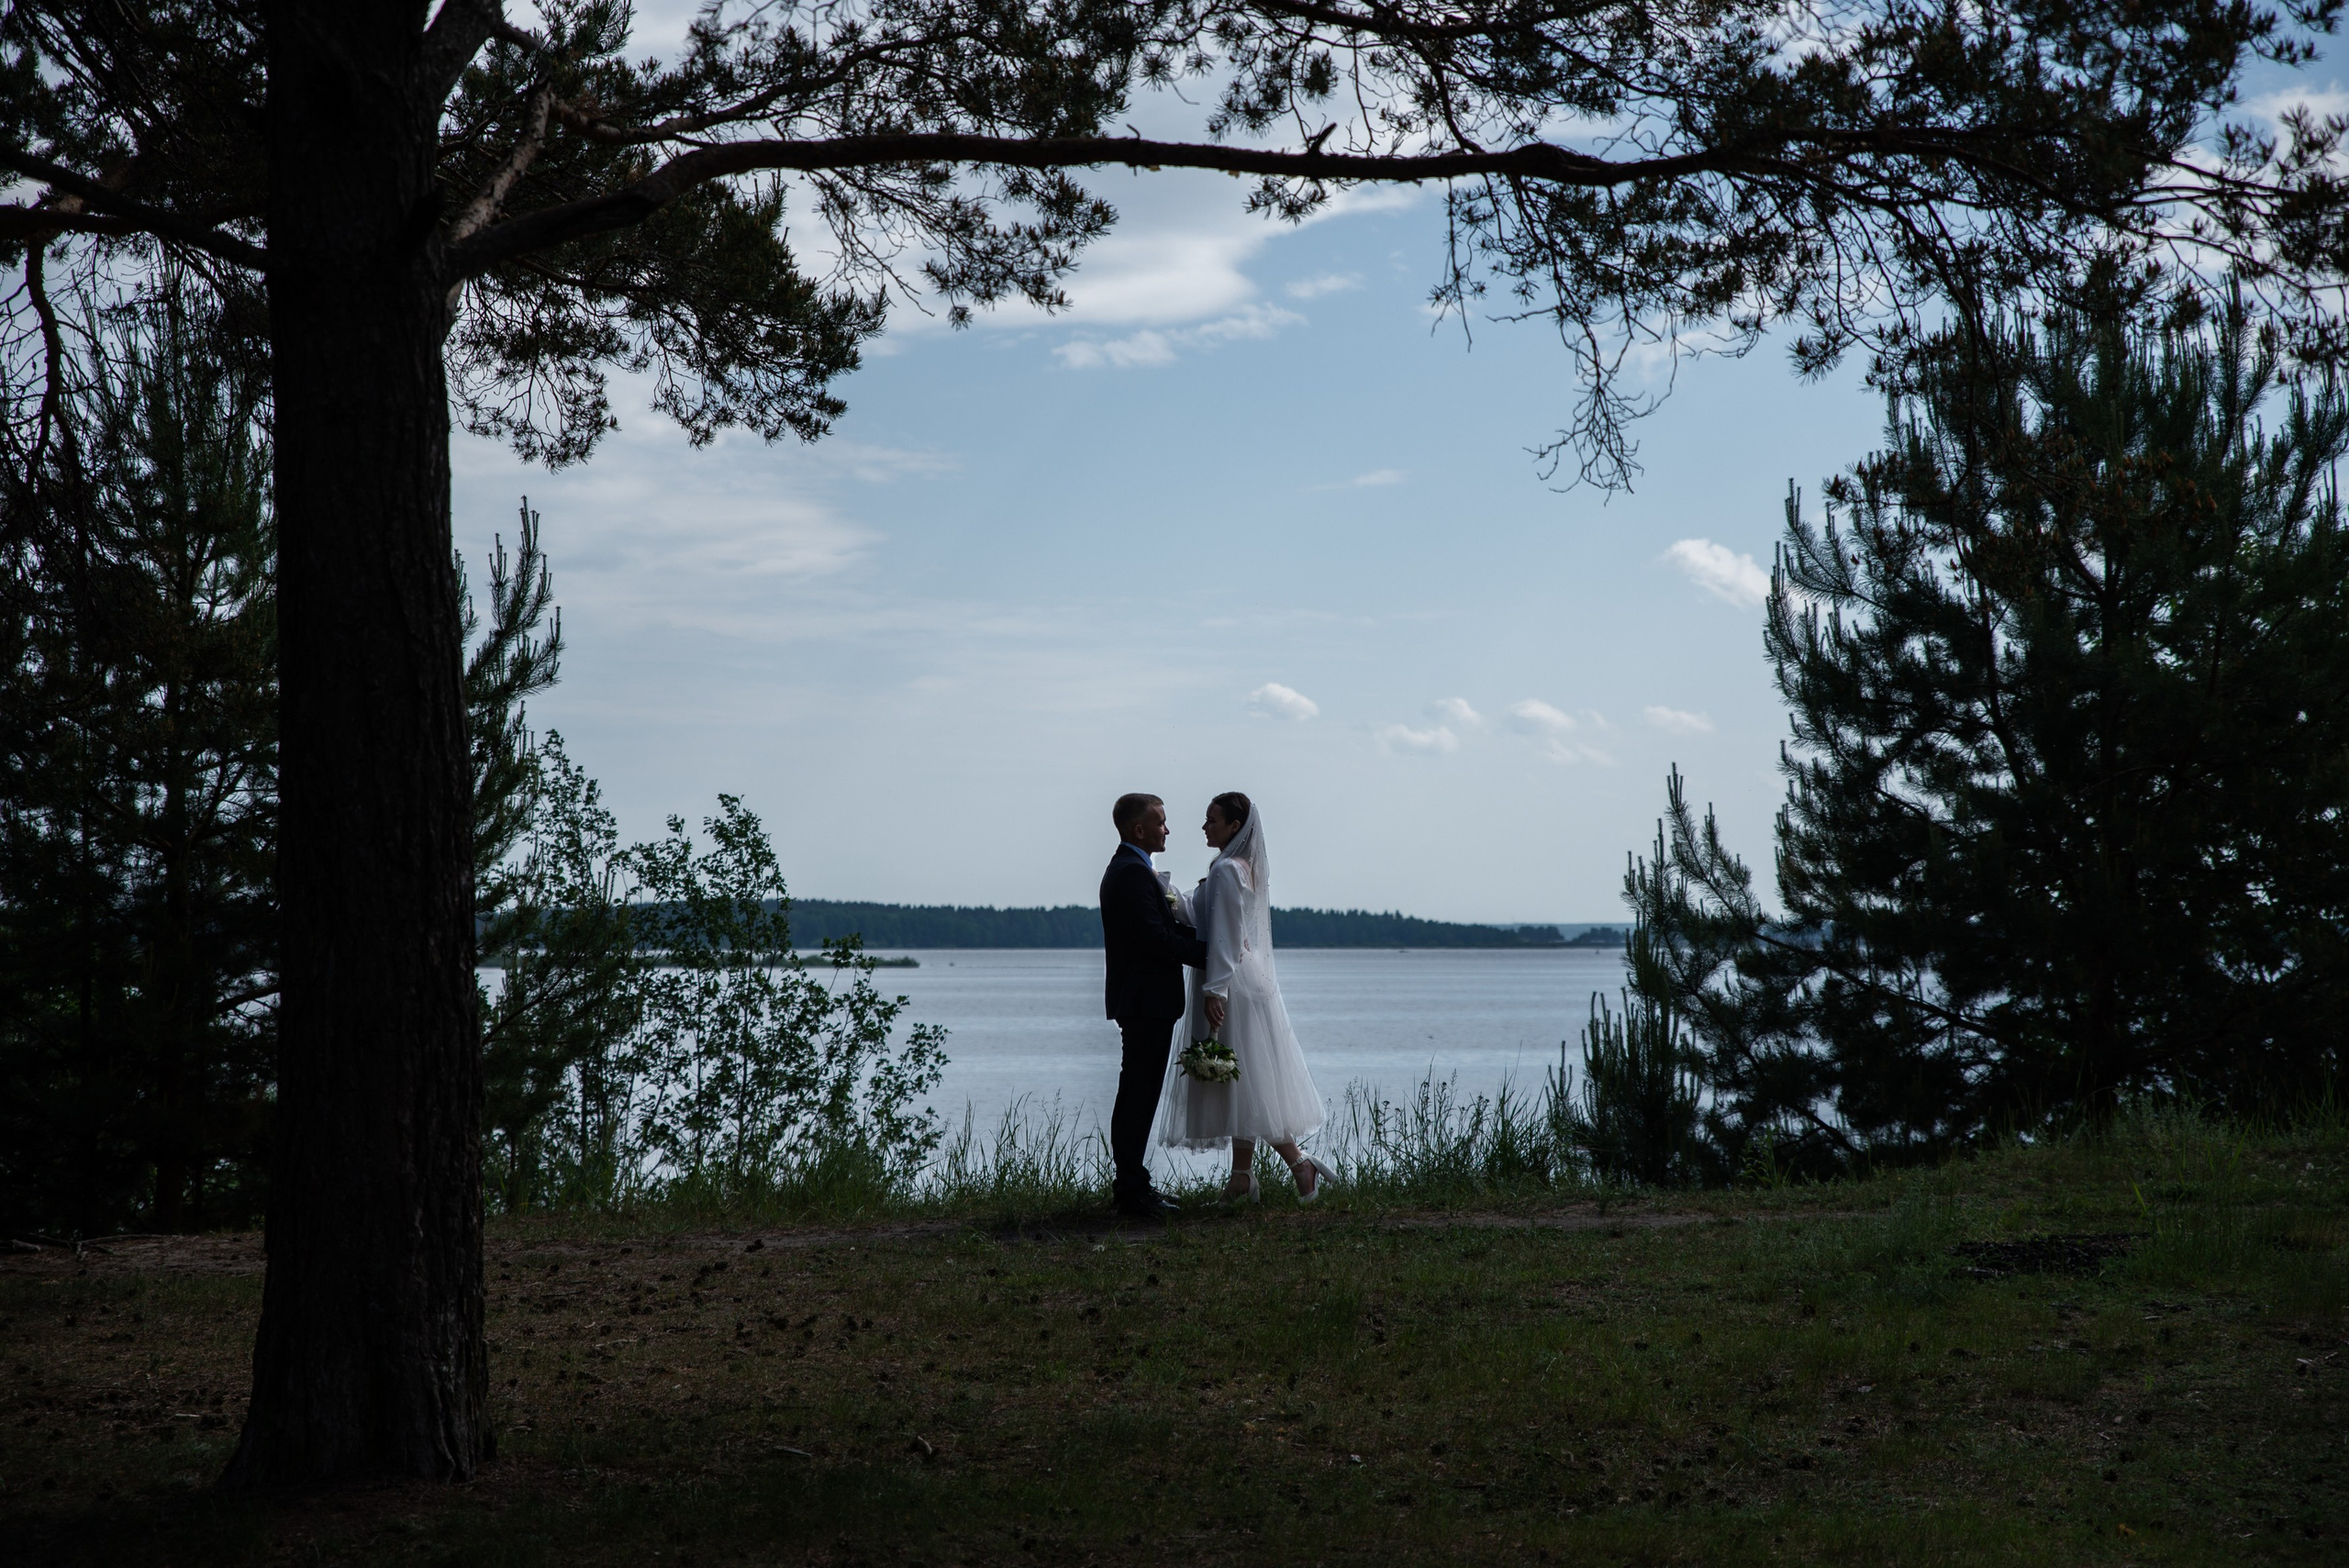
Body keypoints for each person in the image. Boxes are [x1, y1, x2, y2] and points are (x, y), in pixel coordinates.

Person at [1156, 793, 1334, 1201]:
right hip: (1242, 977)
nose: (1204, 826)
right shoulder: (1237, 868)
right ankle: (1243, 1177)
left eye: (1212, 820)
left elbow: (1227, 934)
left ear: (1235, 827)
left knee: (1246, 1079)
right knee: (1244, 1079)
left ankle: (1295, 1164)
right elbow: (1209, 920)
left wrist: (1214, 988)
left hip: (1230, 980)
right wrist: (1168, 895)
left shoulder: (1225, 870)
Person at [1099, 792, 1208, 1219]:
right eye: (1160, 822)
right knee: (1138, 1097)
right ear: (1138, 829)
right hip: (1145, 1002)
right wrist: (1208, 951)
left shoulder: (1132, 869)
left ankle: (1133, 1184)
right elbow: (1151, 939)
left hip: (1146, 1001)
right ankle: (1131, 1193)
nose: (1168, 829)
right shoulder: (1130, 873)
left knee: (1138, 1095)